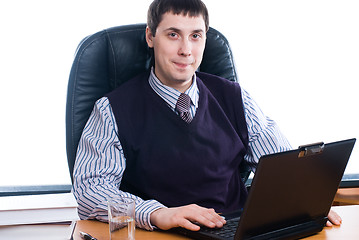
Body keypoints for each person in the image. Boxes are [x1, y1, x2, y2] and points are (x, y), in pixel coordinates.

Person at [72, 0, 341, 232]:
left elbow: (281, 165)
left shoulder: (235, 98)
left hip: (235, 230)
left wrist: (304, 198)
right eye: (173, 35)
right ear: (150, 37)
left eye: (196, 36)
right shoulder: (112, 109)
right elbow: (90, 189)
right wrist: (157, 213)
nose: (186, 50)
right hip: (163, 234)